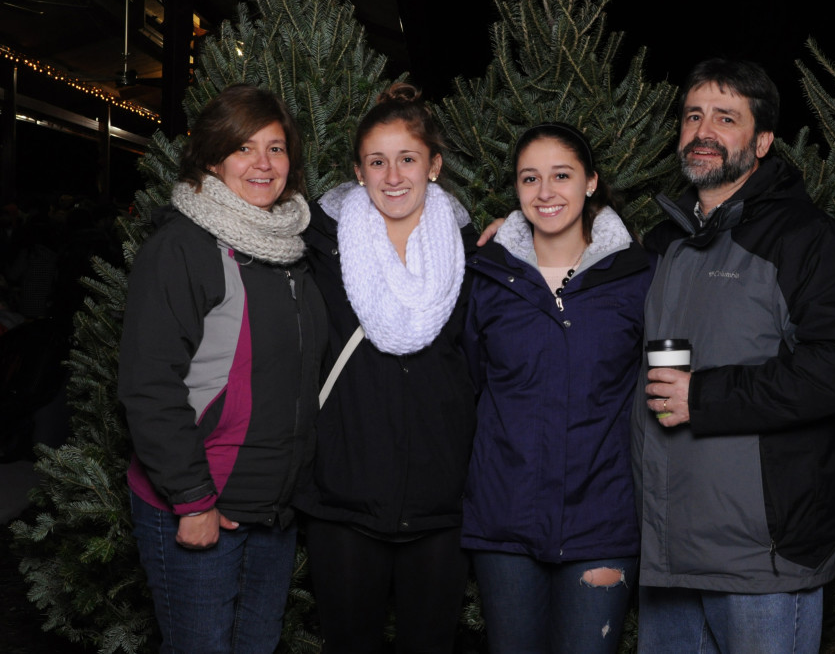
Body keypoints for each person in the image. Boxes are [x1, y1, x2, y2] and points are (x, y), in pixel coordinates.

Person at [632, 58, 835, 653]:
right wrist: (509, 233)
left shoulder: (807, 240)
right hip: (666, 554)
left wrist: (706, 396)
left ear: (763, 141)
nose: (703, 130)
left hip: (762, 558)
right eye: (693, 115)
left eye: (726, 117)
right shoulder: (660, 244)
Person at [118, 85, 328, 654]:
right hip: (199, 505)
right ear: (212, 158)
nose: (263, 163)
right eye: (244, 148)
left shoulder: (292, 249)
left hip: (272, 510)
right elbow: (148, 384)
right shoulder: (182, 248)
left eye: (277, 148)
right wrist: (194, 501)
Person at [296, 82, 477, 653]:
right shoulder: (319, 244)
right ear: (358, 170)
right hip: (345, 497)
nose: (393, 176)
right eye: (377, 161)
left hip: (439, 501)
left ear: (434, 166)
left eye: (408, 159)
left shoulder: (475, 253)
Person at [461, 123, 651, 653]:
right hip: (505, 519)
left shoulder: (638, 276)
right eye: (530, 178)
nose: (545, 193)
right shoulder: (489, 276)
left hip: (604, 521)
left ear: (590, 182)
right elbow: (471, 383)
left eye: (561, 176)